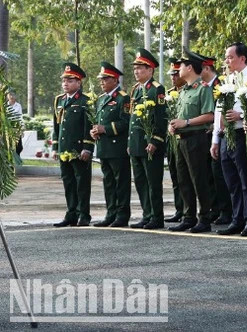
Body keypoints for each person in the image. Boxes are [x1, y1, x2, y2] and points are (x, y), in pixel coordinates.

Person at [211, 42, 247, 237]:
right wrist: (215, 139)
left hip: (244, 133)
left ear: (243, 58)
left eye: (230, 57)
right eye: (226, 57)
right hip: (227, 135)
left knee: (246, 179)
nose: (227, 61)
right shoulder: (226, 81)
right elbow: (219, 112)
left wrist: (241, 115)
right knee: (232, 181)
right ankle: (237, 219)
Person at [168, 50, 217, 233]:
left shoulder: (203, 88)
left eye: (181, 66)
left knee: (199, 179)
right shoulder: (184, 90)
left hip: (196, 138)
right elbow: (180, 115)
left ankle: (204, 218)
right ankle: (188, 217)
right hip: (182, 139)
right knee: (184, 180)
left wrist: (186, 122)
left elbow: (209, 115)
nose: (178, 69)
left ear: (190, 68)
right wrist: (173, 126)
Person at [128, 49, 167, 229]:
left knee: (153, 182)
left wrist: (155, 140)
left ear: (150, 70)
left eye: (141, 68)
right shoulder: (136, 90)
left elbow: (160, 117)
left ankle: (156, 217)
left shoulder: (157, 89)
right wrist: (130, 143)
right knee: (141, 182)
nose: (136, 71)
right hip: (136, 144)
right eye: (135, 68)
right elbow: (132, 119)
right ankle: (146, 214)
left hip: (150, 144)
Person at [52, 63, 94, 227]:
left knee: (82, 184)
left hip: (79, 150)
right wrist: (56, 147)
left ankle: (83, 215)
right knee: (68, 183)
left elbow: (89, 126)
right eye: (64, 80)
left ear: (79, 82)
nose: (65, 83)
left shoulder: (86, 100)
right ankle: (71, 214)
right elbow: (56, 126)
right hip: (64, 149)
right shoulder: (59, 100)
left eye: (70, 80)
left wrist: (87, 147)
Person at [90, 62, 132, 228]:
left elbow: (125, 122)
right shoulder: (101, 99)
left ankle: (122, 215)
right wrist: (95, 131)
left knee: (120, 183)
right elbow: (98, 121)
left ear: (115, 80)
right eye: (101, 79)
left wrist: (105, 129)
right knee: (108, 183)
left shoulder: (123, 98)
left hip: (118, 147)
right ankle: (111, 213)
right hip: (104, 148)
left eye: (105, 79)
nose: (102, 82)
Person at [199, 54, 232, 225]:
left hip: (222, 134)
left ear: (206, 68)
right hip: (211, 137)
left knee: (222, 176)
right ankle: (217, 209)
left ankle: (226, 210)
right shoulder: (204, 86)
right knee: (212, 176)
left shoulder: (220, 85)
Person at [164, 58, 185, 223]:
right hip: (172, 140)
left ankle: (189, 210)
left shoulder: (189, 91)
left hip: (185, 139)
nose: (173, 77)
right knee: (176, 177)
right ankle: (179, 209)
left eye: (176, 73)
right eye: (171, 74)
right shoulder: (169, 93)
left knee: (187, 178)